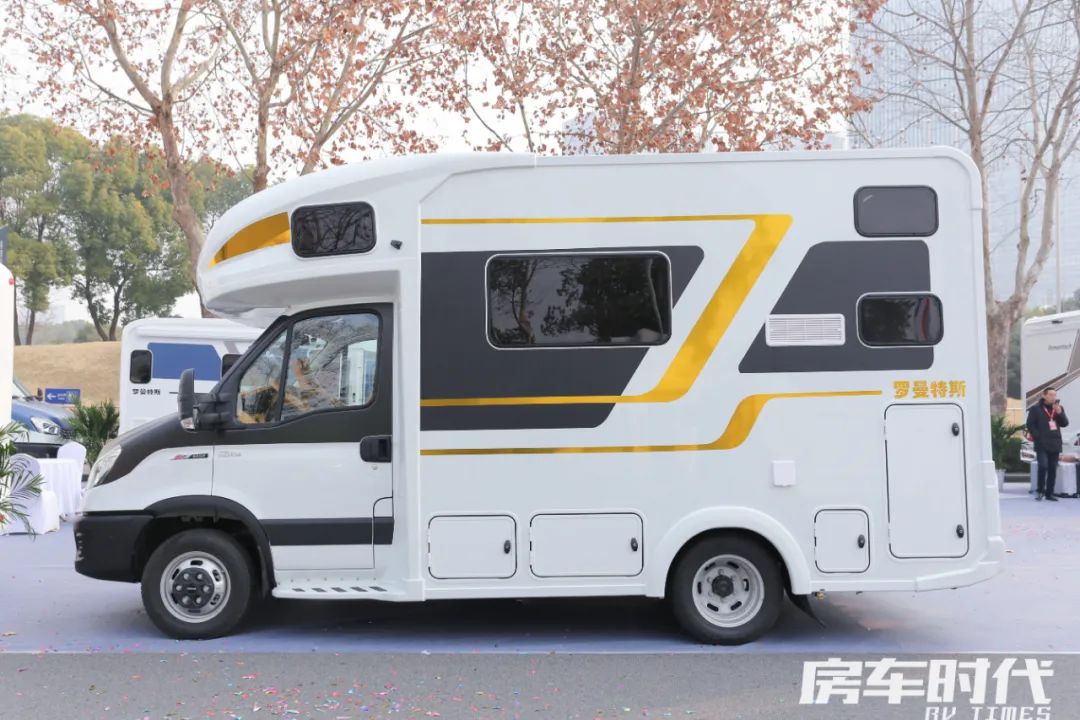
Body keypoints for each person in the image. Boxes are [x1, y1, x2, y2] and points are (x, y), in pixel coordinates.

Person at [1026, 387, 1069, 502]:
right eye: (1050, 395)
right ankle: (1040, 490)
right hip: (1042, 443)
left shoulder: (1058, 408)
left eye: (1055, 395)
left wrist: (1060, 413)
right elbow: (1030, 424)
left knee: (1052, 469)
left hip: (1055, 443)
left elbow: (1065, 423)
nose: (1053, 397)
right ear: (1044, 396)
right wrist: (1037, 436)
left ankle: (1049, 493)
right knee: (1043, 466)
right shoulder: (1036, 409)